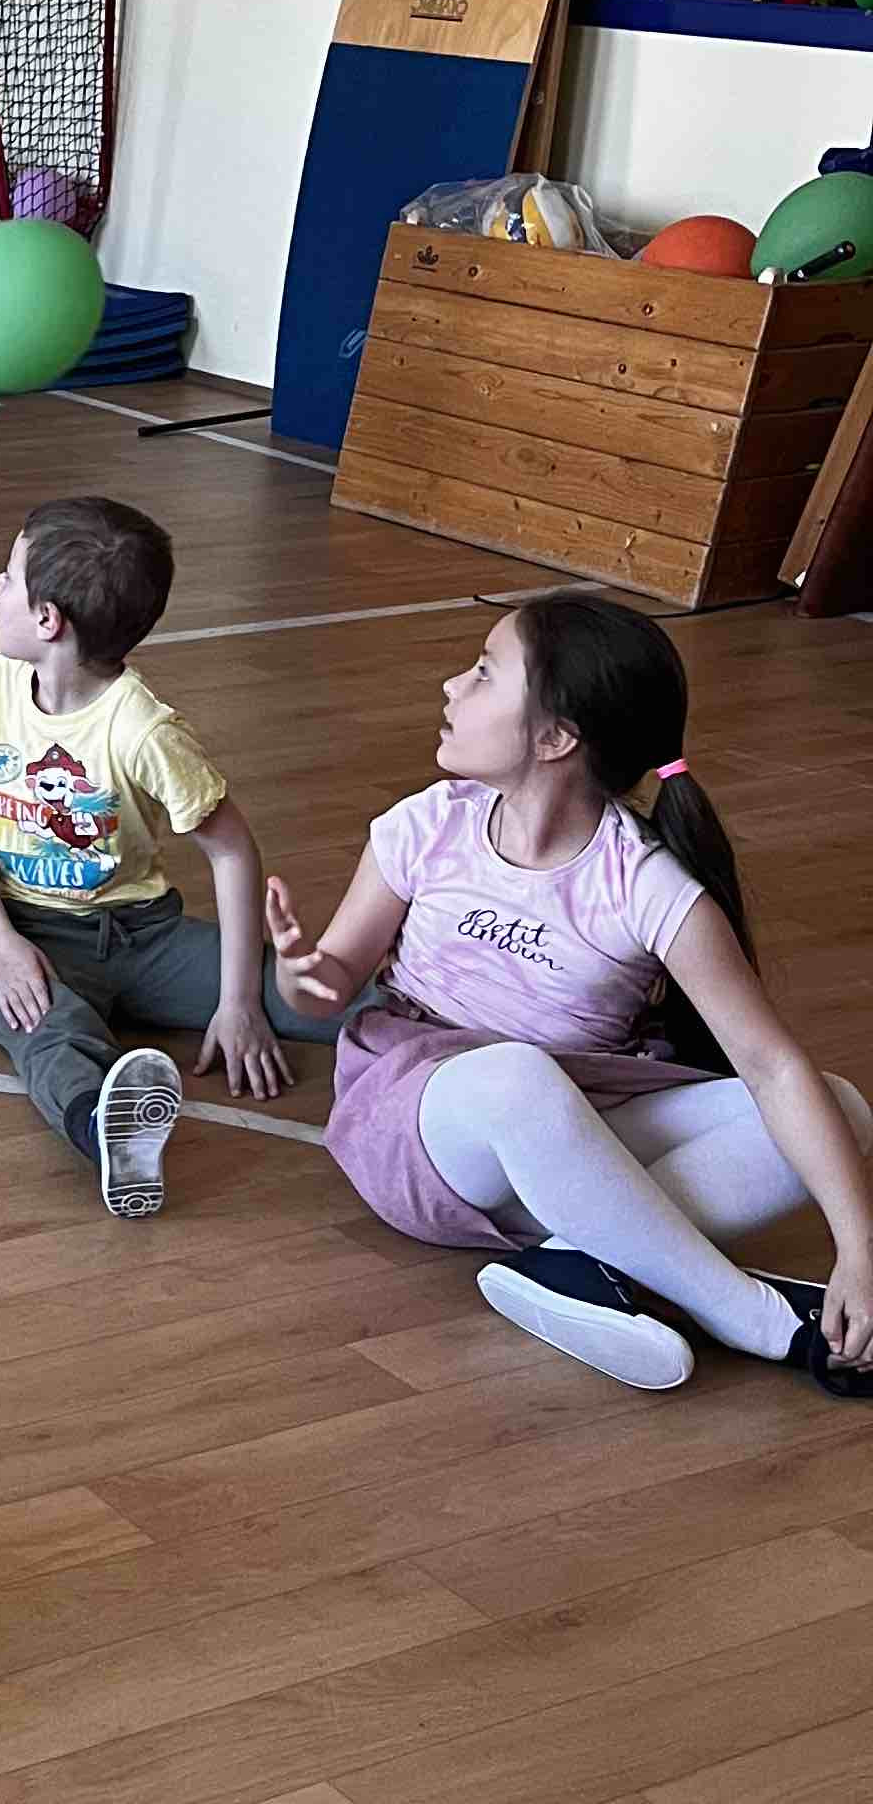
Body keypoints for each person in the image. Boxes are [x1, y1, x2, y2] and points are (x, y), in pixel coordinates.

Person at [268, 593, 873, 1392]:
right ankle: (751, 1316)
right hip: (419, 1127)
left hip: (574, 1123)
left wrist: (860, 1248)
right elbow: (330, 985)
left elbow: (774, 1069)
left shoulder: (648, 884)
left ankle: (573, 1263)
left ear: (555, 738)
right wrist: (301, 977)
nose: (452, 686)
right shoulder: (427, 826)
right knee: (516, 1076)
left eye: (484, 673)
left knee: (842, 1109)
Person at [0, 494, 334, 1214]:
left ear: (48, 619)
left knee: (295, 990)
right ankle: (106, 1132)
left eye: (10, 577)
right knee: (51, 1036)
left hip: (144, 936)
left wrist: (239, 1002)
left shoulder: (144, 731)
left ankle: (456, 1025)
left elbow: (232, 852)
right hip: (25, 931)